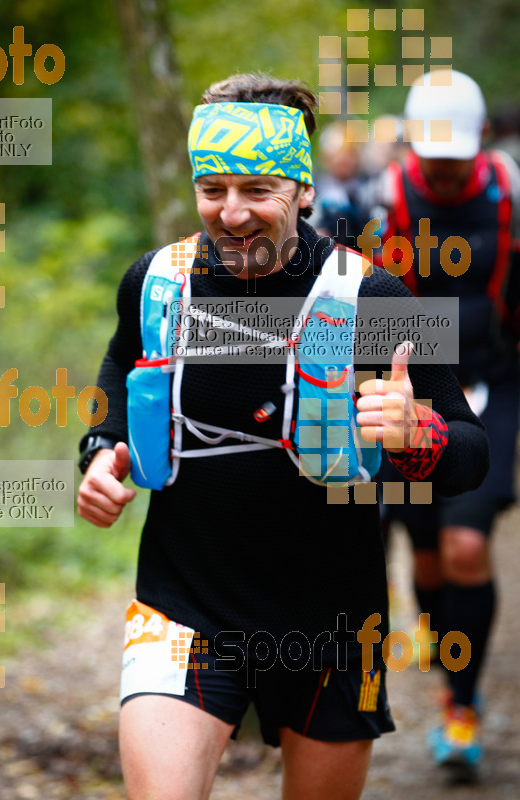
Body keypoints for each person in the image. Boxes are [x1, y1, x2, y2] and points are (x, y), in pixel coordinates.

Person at [77, 73, 489, 800]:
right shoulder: (155, 282)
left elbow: (469, 450)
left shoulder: (374, 295)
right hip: (185, 607)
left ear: (302, 191)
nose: (230, 214)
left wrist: (412, 433)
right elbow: (121, 365)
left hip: (331, 625)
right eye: (213, 189)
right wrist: (101, 447)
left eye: (257, 190)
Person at [360, 69, 520, 777]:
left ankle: (461, 707)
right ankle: (441, 652)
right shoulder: (383, 202)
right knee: (424, 560)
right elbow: (362, 313)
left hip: (496, 382)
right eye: (433, 156)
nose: (444, 169)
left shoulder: (511, 196)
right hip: (410, 389)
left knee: (463, 548)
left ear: (480, 141)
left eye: (455, 155)